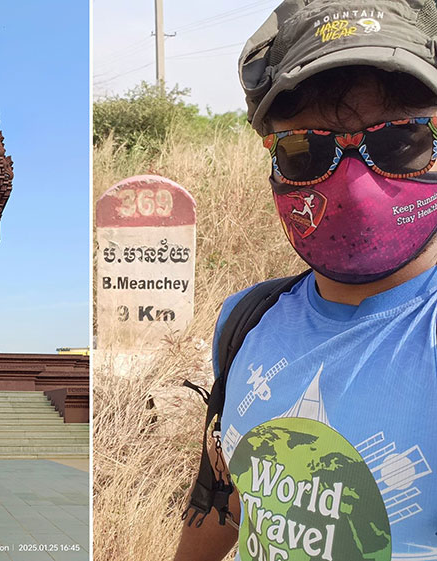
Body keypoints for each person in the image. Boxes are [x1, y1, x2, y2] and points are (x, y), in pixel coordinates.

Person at [175, 1, 437, 559]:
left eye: (402, 141)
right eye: (304, 151)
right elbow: (224, 495)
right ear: (271, 160)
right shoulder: (244, 322)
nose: (358, 187)